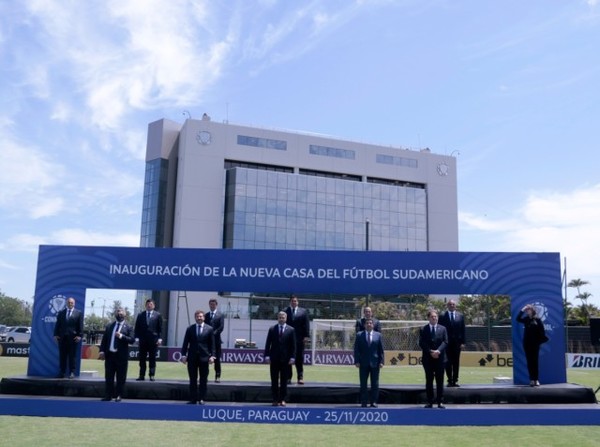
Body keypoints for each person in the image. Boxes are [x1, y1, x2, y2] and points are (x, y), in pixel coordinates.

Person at [98, 308, 135, 402]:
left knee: (121, 377)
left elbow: (132, 340)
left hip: (121, 357)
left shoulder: (129, 327)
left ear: (125, 314)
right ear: (115, 314)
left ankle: (119, 395)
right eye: (118, 312)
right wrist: (102, 351)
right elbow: (104, 340)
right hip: (110, 356)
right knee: (109, 377)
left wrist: (121, 336)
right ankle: (108, 396)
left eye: (121, 312)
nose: (119, 313)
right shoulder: (110, 326)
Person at [180, 310, 215, 404]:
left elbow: (212, 344)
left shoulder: (210, 329)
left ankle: (202, 398)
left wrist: (213, 356)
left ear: (204, 317)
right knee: (192, 379)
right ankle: (193, 399)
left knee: (203, 380)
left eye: (201, 316)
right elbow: (185, 343)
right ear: (195, 318)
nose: (199, 318)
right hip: (192, 358)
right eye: (197, 316)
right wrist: (183, 355)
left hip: (204, 358)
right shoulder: (190, 329)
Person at [264, 311, 296, 406]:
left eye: (283, 317)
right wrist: (267, 355)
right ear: (277, 318)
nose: (281, 319)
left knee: (284, 381)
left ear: (286, 318)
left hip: (286, 360)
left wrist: (293, 357)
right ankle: (274, 399)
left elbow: (293, 346)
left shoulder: (291, 330)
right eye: (280, 317)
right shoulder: (272, 329)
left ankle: (282, 399)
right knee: (274, 380)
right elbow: (268, 343)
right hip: (274, 359)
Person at [419, 309, 448, 408]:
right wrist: (430, 352)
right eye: (432, 316)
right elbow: (422, 343)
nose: (434, 318)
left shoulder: (443, 329)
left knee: (440, 381)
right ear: (428, 318)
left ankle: (440, 402)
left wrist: (438, 351)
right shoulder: (423, 329)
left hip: (440, 359)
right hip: (428, 359)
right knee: (429, 381)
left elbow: (445, 342)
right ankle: (430, 402)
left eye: (436, 316)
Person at [353, 318, 385, 407]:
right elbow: (356, 350)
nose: (369, 324)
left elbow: (381, 350)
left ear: (373, 325)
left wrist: (382, 361)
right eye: (367, 323)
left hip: (375, 363)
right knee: (363, 384)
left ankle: (373, 402)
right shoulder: (359, 335)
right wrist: (356, 361)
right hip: (363, 363)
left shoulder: (378, 335)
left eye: (371, 323)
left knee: (375, 384)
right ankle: (364, 402)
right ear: (364, 325)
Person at [516, 304, 548, 386]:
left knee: (535, 362)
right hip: (527, 344)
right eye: (527, 310)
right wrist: (522, 309)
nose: (527, 311)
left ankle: (536, 380)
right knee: (529, 362)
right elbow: (518, 319)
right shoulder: (526, 319)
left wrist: (538, 342)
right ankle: (531, 380)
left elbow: (542, 333)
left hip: (535, 344)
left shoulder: (538, 320)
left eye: (528, 309)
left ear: (533, 310)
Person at [53, 296, 84, 379]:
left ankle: (72, 372)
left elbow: (80, 326)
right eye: (69, 302)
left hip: (73, 339)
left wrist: (79, 336)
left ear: (74, 304)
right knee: (62, 356)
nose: (70, 304)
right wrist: (55, 334)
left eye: (72, 303)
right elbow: (58, 325)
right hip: (62, 338)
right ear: (66, 303)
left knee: (72, 356)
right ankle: (62, 372)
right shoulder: (61, 313)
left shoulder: (78, 313)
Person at [438, 299, 466, 387]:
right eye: (450, 304)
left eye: (453, 304)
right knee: (447, 362)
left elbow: (463, 330)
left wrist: (463, 342)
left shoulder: (460, 316)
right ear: (447, 306)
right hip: (446, 343)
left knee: (456, 362)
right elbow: (440, 330)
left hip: (457, 344)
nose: (452, 306)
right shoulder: (442, 316)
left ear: (455, 306)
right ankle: (449, 380)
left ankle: (455, 380)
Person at [134, 298, 162, 381]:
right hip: (142, 341)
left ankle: (152, 375)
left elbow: (160, 328)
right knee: (142, 358)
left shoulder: (158, 315)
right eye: (148, 305)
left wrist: (160, 339)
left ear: (154, 306)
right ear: (145, 306)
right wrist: (137, 338)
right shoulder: (140, 315)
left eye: (151, 305)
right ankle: (141, 375)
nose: (149, 306)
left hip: (153, 341)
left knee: (152, 358)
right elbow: (137, 328)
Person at [285, 295, 310, 385]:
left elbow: (306, 325)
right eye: (292, 301)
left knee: (299, 359)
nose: (294, 302)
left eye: (295, 301)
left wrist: (306, 336)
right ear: (290, 302)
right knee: (288, 359)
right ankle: (288, 378)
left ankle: (300, 377)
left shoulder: (303, 312)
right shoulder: (285, 311)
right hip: (288, 340)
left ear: (298, 302)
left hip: (299, 340)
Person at [205, 298, 224, 383]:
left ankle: (217, 376)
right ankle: (204, 376)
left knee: (217, 360)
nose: (212, 306)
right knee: (205, 359)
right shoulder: (206, 315)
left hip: (216, 341)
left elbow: (221, 327)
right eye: (210, 304)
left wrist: (213, 333)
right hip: (207, 341)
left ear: (216, 305)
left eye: (213, 304)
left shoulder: (220, 315)